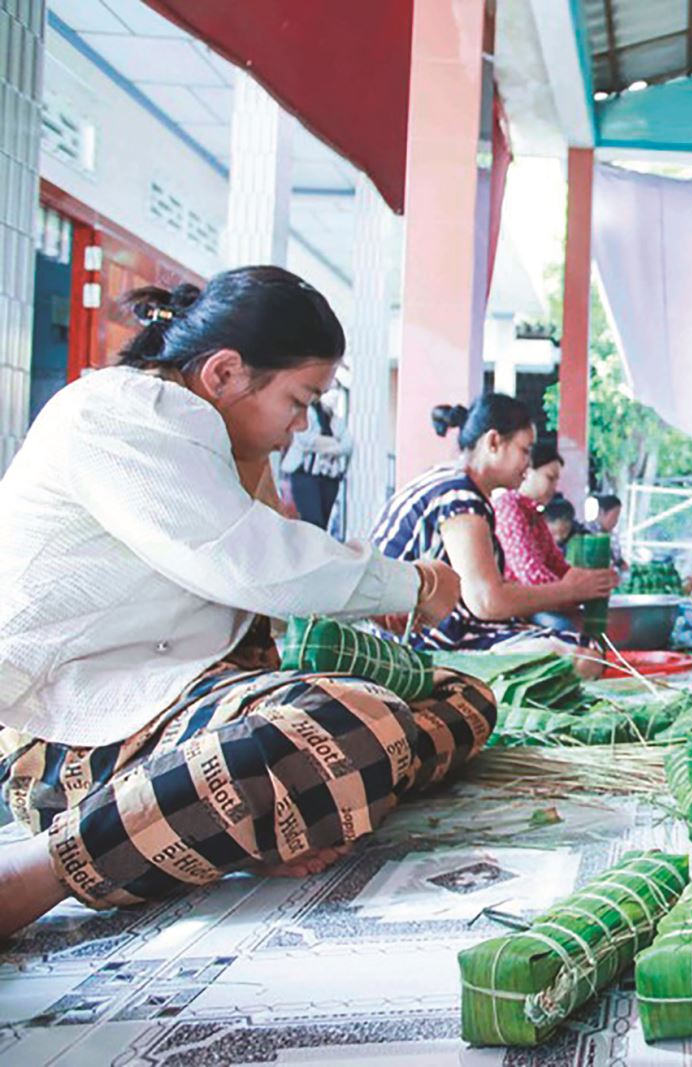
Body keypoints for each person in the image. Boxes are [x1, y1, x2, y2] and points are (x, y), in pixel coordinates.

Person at [0, 267, 487, 938]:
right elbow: (255, 563)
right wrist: (416, 585)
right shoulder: (122, 413)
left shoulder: (214, 441)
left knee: (460, 695)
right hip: (70, 736)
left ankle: (253, 813)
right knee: (351, 722)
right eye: (299, 399)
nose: (297, 426)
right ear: (225, 373)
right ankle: (45, 868)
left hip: (172, 714)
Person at [370, 395, 615, 665]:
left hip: (424, 632)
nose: (528, 464)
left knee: (572, 646)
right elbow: (487, 601)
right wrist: (570, 591)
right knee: (584, 656)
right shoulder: (460, 496)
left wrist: (574, 584)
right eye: (524, 450)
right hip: (413, 642)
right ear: (494, 442)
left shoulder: (448, 480)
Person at [493, 440, 577, 588]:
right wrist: (573, 590)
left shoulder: (534, 513)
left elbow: (558, 566)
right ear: (527, 471)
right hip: (514, 608)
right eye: (550, 478)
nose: (555, 487)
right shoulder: (508, 507)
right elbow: (531, 576)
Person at [280, 393, 352, 530]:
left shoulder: (334, 419)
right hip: (305, 474)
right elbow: (306, 439)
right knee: (312, 522)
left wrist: (326, 447)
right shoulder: (308, 412)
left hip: (328, 477)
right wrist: (335, 443)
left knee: (322, 525)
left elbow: (348, 445)